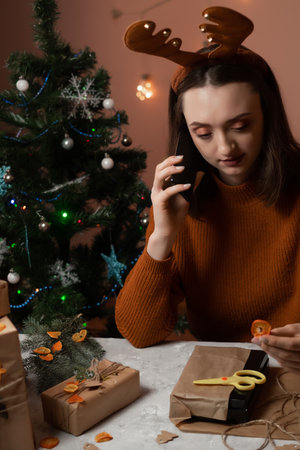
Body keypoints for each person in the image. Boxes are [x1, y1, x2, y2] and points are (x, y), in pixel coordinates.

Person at [115, 7, 300, 374]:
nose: (225, 148)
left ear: (268, 116)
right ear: (187, 132)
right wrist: (163, 234)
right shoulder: (180, 202)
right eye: (203, 133)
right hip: (222, 381)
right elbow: (140, 333)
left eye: (240, 125)